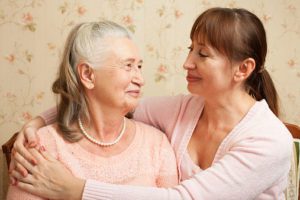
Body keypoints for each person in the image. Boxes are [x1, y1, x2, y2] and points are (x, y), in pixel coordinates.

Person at [10, 7, 293, 200]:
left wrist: (77, 190)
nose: (187, 62)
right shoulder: (184, 110)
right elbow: (107, 104)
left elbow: (184, 198)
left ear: (242, 69)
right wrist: (36, 124)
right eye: (190, 49)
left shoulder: (269, 140)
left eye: (203, 54)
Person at [6, 20, 178, 199]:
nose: (140, 79)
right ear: (88, 75)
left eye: (139, 66)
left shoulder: (157, 145)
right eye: (128, 65)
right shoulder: (42, 146)